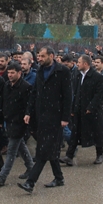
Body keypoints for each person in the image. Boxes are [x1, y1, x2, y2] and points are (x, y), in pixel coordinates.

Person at [18, 46, 72, 194]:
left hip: (56, 116)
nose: (39, 59)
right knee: (50, 148)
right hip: (41, 116)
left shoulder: (63, 71)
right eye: (38, 56)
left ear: (51, 56)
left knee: (43, 150)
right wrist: (29, 112)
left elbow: (68, 95)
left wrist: (65, 117)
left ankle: (30, 182)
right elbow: (35, 92)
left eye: (42, 56)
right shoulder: (40, 71)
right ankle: (59, 178)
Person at [0, 62, 34, 186]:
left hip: (19, 123)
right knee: (21, 146)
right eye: (8, 73)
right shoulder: (6, 86)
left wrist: (27, 120)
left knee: (11, 150)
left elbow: (29, 106)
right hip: (8, 121)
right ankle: (31, 168)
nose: (9, 75)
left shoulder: (26, 87)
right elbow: (1, 103)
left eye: (12, 73)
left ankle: (2, 176)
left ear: (19, 73)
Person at [61, 55, 103, 166]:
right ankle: (69, 156)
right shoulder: (76, 75)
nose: (77, 64)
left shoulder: (97, 77)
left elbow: (98, 95)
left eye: (79, 62)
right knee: (75, 133)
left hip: (93, 111)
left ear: (85, 64)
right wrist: (72, 108)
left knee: (97, 133)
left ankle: (100, 154)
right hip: (78, 110)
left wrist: (91, 107)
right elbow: (74, 93)